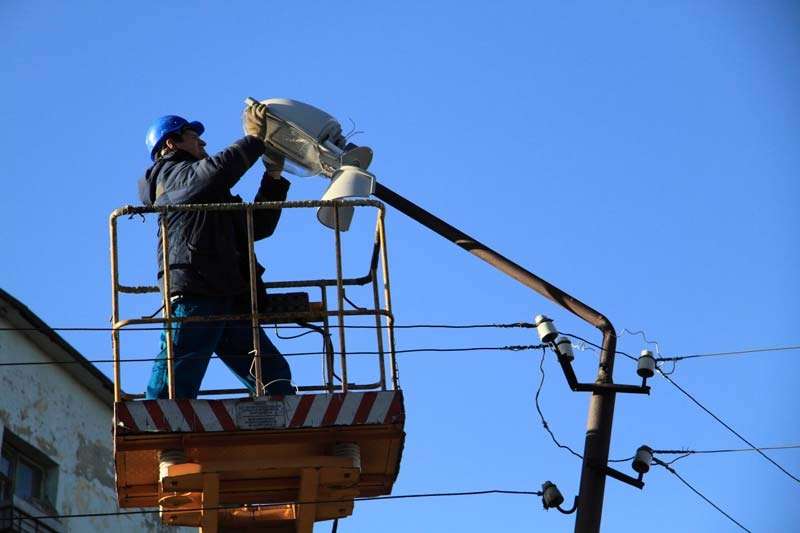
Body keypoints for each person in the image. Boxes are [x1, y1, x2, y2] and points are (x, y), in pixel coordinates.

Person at [138, 104, 294, 399]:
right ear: (171, 143)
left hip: (227, 294)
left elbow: (255, 227)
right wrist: (253, 139)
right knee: (174, 384)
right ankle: (154, 423)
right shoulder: (169, 176)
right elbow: (215, 172)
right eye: (193, 135)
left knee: (272, 376)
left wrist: (273, 178)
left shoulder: (206, 189)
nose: (203, 142)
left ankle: (280, 422)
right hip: (197, 292)